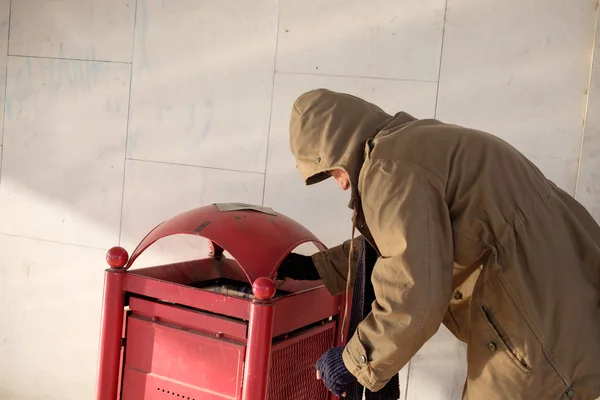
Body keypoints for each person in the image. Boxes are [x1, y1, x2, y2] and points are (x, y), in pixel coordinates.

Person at [275, 88, 600, 400]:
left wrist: (353, 361)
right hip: (566, 299)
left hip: (535, 326)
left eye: (332, 169)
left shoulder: (388, 169)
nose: (342, 182)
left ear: (342, 148)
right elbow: (413, 241)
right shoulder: (416, 144)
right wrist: (315, 268)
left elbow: (413, 294)